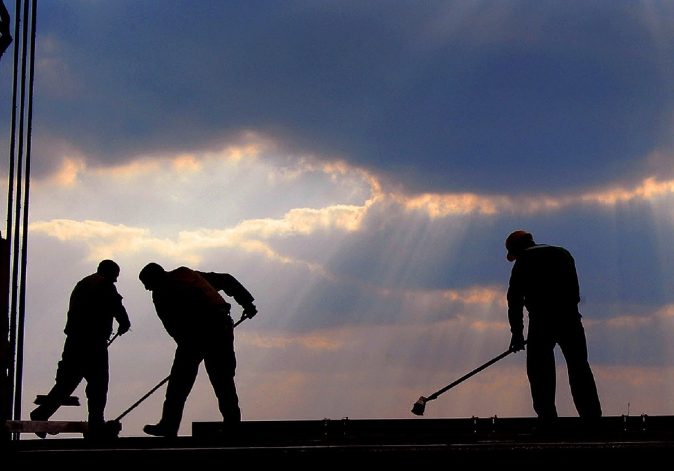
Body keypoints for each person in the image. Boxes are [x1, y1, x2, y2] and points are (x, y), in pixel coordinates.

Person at [138, 262, 257, 437]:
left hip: (195, 334)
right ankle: (232, 426)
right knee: (223, 381)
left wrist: (186, 348)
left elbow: (172, 325)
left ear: (153, 279)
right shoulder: (187, 274)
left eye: (147, 284)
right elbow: (226, 280)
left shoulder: (161, 292)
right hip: (220, 327)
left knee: (178, 385)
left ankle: (168, 426)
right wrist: (247, 303)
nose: (148, 289)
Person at [504, 230, 602, 427]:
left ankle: (548, 422)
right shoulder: (563, 253)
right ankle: (592, 421)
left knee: (540, 371)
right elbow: (575, 291)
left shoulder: (524, 260)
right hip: (570, 319)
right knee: (579, 369)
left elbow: (514, 300)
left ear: (517, 249)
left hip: (541, 322)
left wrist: (517, 333)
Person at [30, 260, 131, 438]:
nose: (114, 281)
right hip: (93, 343)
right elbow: (116, 306)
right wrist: (124, 323)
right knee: (98, 385)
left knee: (66, 383)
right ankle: (96, 423)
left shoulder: (83, 283)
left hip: (74, 341)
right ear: (110, 274)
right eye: (115, 278)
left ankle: (41, 414)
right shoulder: (104, 284)